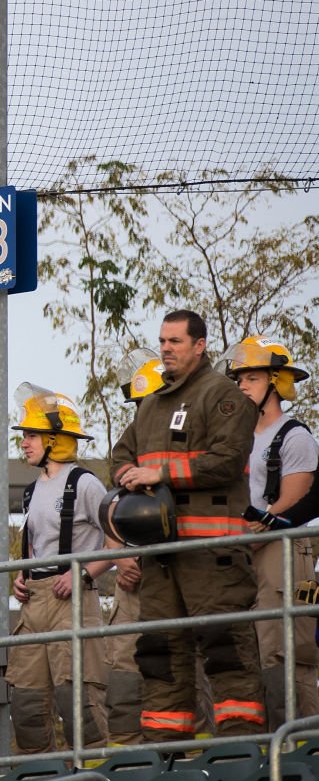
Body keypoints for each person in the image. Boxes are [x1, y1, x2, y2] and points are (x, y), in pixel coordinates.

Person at [111, 310, 264, 741]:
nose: (165, 349)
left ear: (200, 345)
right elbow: (120, 456)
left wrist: (160, 474)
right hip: (161, 558)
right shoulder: (153, 403)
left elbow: (228, 458)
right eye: (162, 341)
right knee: (160, 653)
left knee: (226, 649)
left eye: (175, 341)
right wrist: (126, 475)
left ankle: (239, 755)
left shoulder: (223, 396)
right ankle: (166, 760)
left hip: (212, 553)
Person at [6, 385, 117, 754]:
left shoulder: (84, 483)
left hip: (71, 603)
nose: (25, 442)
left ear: (56, 439)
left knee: (79, 702)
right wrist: (22, 576)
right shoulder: (32, 490)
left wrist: (83, 573)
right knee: (25, 705)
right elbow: (39, 547)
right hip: (35, 603)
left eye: (33, 435)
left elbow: (117, 545)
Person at [226, 335, 319, 725]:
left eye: (252, 378)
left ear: (277, 382)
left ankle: (306, 751)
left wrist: (257, 521)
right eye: (240, 379)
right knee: (253, 652)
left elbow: (295, 502)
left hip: (281, 550)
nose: (243, 386)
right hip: (244, 552)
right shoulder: (238, 438)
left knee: (286, 651)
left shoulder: (294, 436)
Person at [103, 347, 163, 746]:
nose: (143, 412)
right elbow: (113, 508)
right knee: (122, 669)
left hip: (177, 575)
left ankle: (192, 759)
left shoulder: (191, 442)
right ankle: (125, 760)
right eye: (139, 405)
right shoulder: (131, 448)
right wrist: (123, 558)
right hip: (133, 584)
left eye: (149, 402)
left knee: (178, 667)